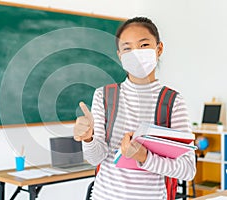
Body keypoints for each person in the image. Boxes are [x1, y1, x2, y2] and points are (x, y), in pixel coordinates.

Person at [74, 17, 196, 200]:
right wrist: (88, 139)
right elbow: (95, 158)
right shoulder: (104, 96)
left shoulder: (172, 102)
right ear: (120, 55)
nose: (136, 53)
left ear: (159, 49)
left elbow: (188, 170)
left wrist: (145, 157)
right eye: (127, 48)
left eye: (144, 45)